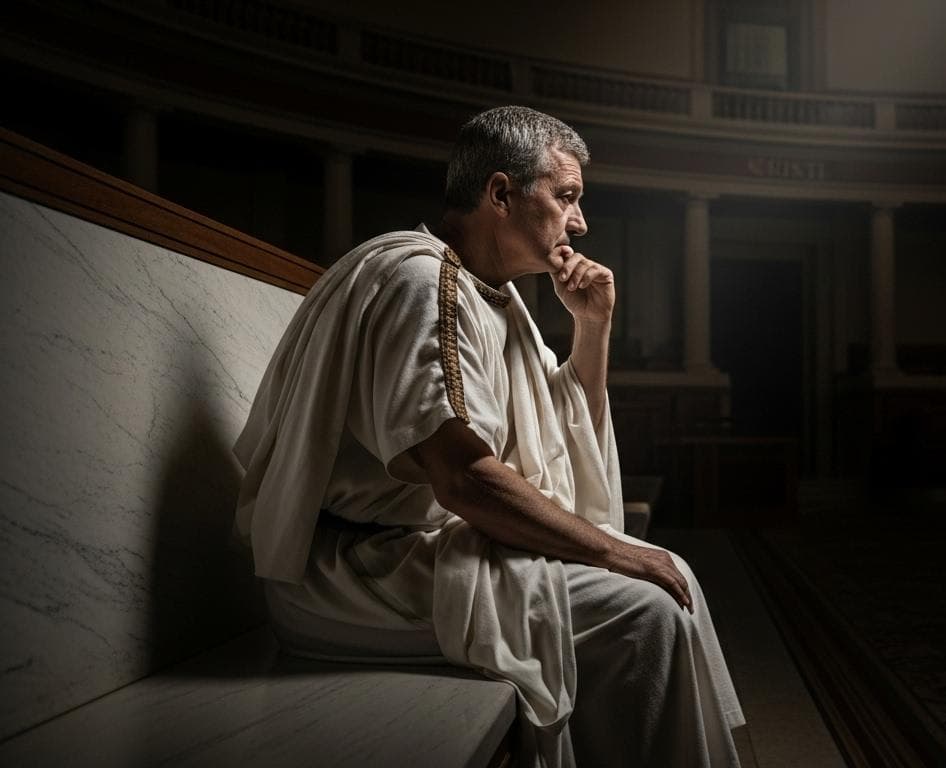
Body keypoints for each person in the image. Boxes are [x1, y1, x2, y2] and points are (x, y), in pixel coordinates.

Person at [232, 105, 744, 767]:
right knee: (646, 608)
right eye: (566, 197)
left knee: (674, 580)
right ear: (500, 194)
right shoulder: (422, 285)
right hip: (357, 576)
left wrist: (592, 328)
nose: (580, 221)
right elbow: (464, 477)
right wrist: (619, 556)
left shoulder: (491, 298)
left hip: (425, 553)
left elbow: (565, 434)